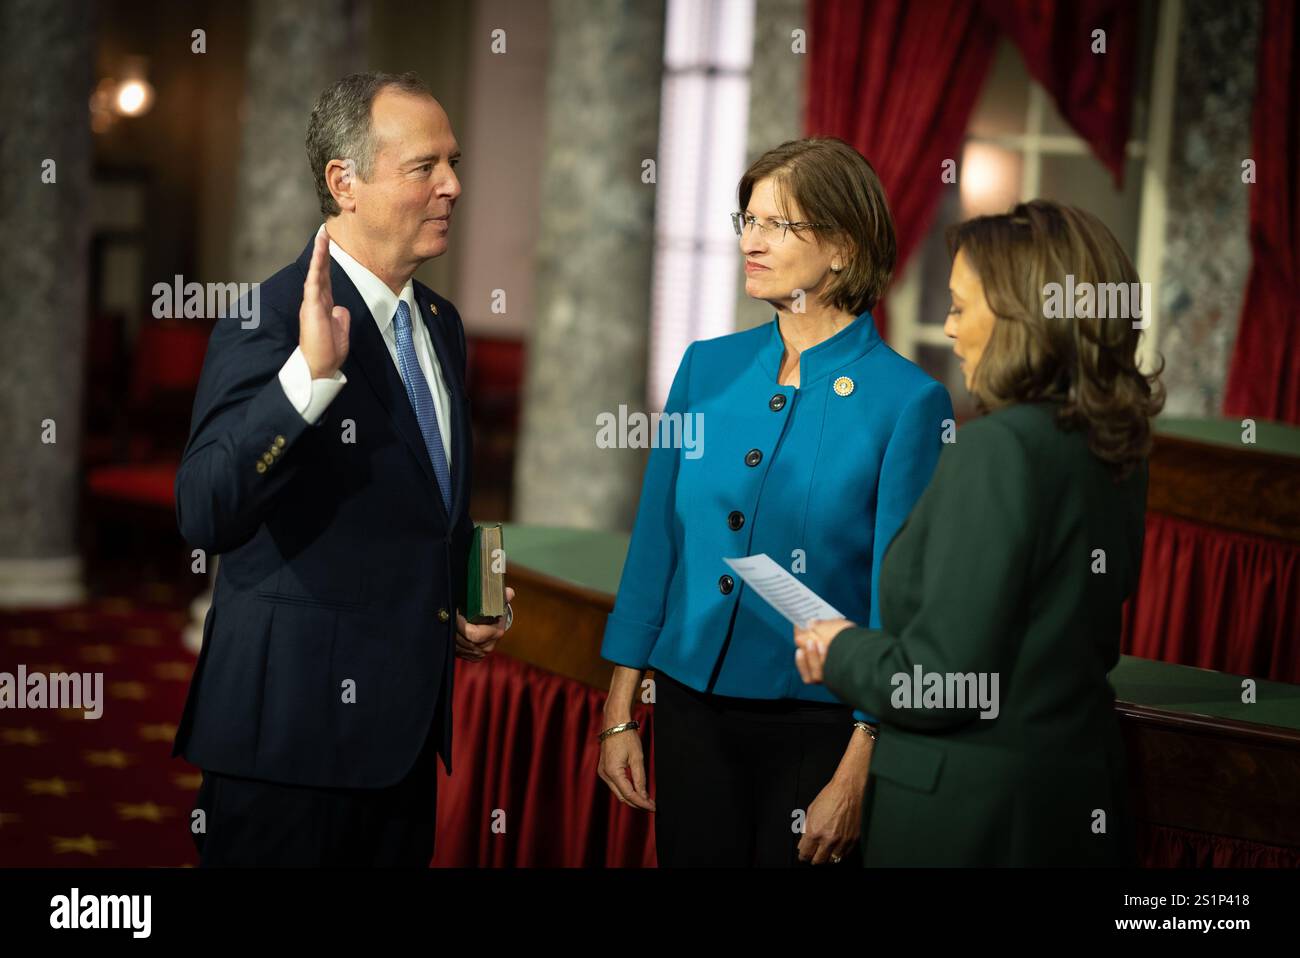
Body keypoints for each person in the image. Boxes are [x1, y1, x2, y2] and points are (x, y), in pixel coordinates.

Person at [172, 71, 513, 867]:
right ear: (343, 183)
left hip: (403, 743)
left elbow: (429, 509)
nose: (453, 186)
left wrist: (463, 595)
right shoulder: (269, 317)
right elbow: (204, 510)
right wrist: (309, 382)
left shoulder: (440, 322)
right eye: (425, 166)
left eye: (453, 163)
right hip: (290, 745)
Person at [598, 137, 953, 867]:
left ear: (843, 250)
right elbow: (658, 543)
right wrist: (619, 709)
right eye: (747, 220)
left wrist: (862, 761)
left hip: (816, 729)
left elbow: (901, 605)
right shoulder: (706, 366)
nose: (751, 242)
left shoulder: (909, 403)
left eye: (778, 226)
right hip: (689, 707)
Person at [794, 200, 1165, 867]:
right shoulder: (1113, 445)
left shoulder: (996, 449)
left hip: (967, 821)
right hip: (1071, 801)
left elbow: (943, 684)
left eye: (963, 307)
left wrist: (840, 650)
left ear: (1026, 314)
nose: (949, 327)